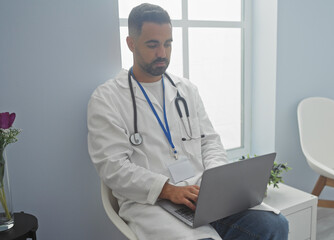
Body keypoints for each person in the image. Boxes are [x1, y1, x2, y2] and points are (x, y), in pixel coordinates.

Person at [87, 3, 289, 240]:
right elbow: (112, 168)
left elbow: (210, 141)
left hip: (200, 193)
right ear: (131, 44)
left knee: (274, 224)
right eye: (152, 45)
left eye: (168, 43)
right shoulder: (107, 99)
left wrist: (215, 182)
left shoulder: (186, 90)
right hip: (151, 203)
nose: (162, 53)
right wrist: (167, 189)